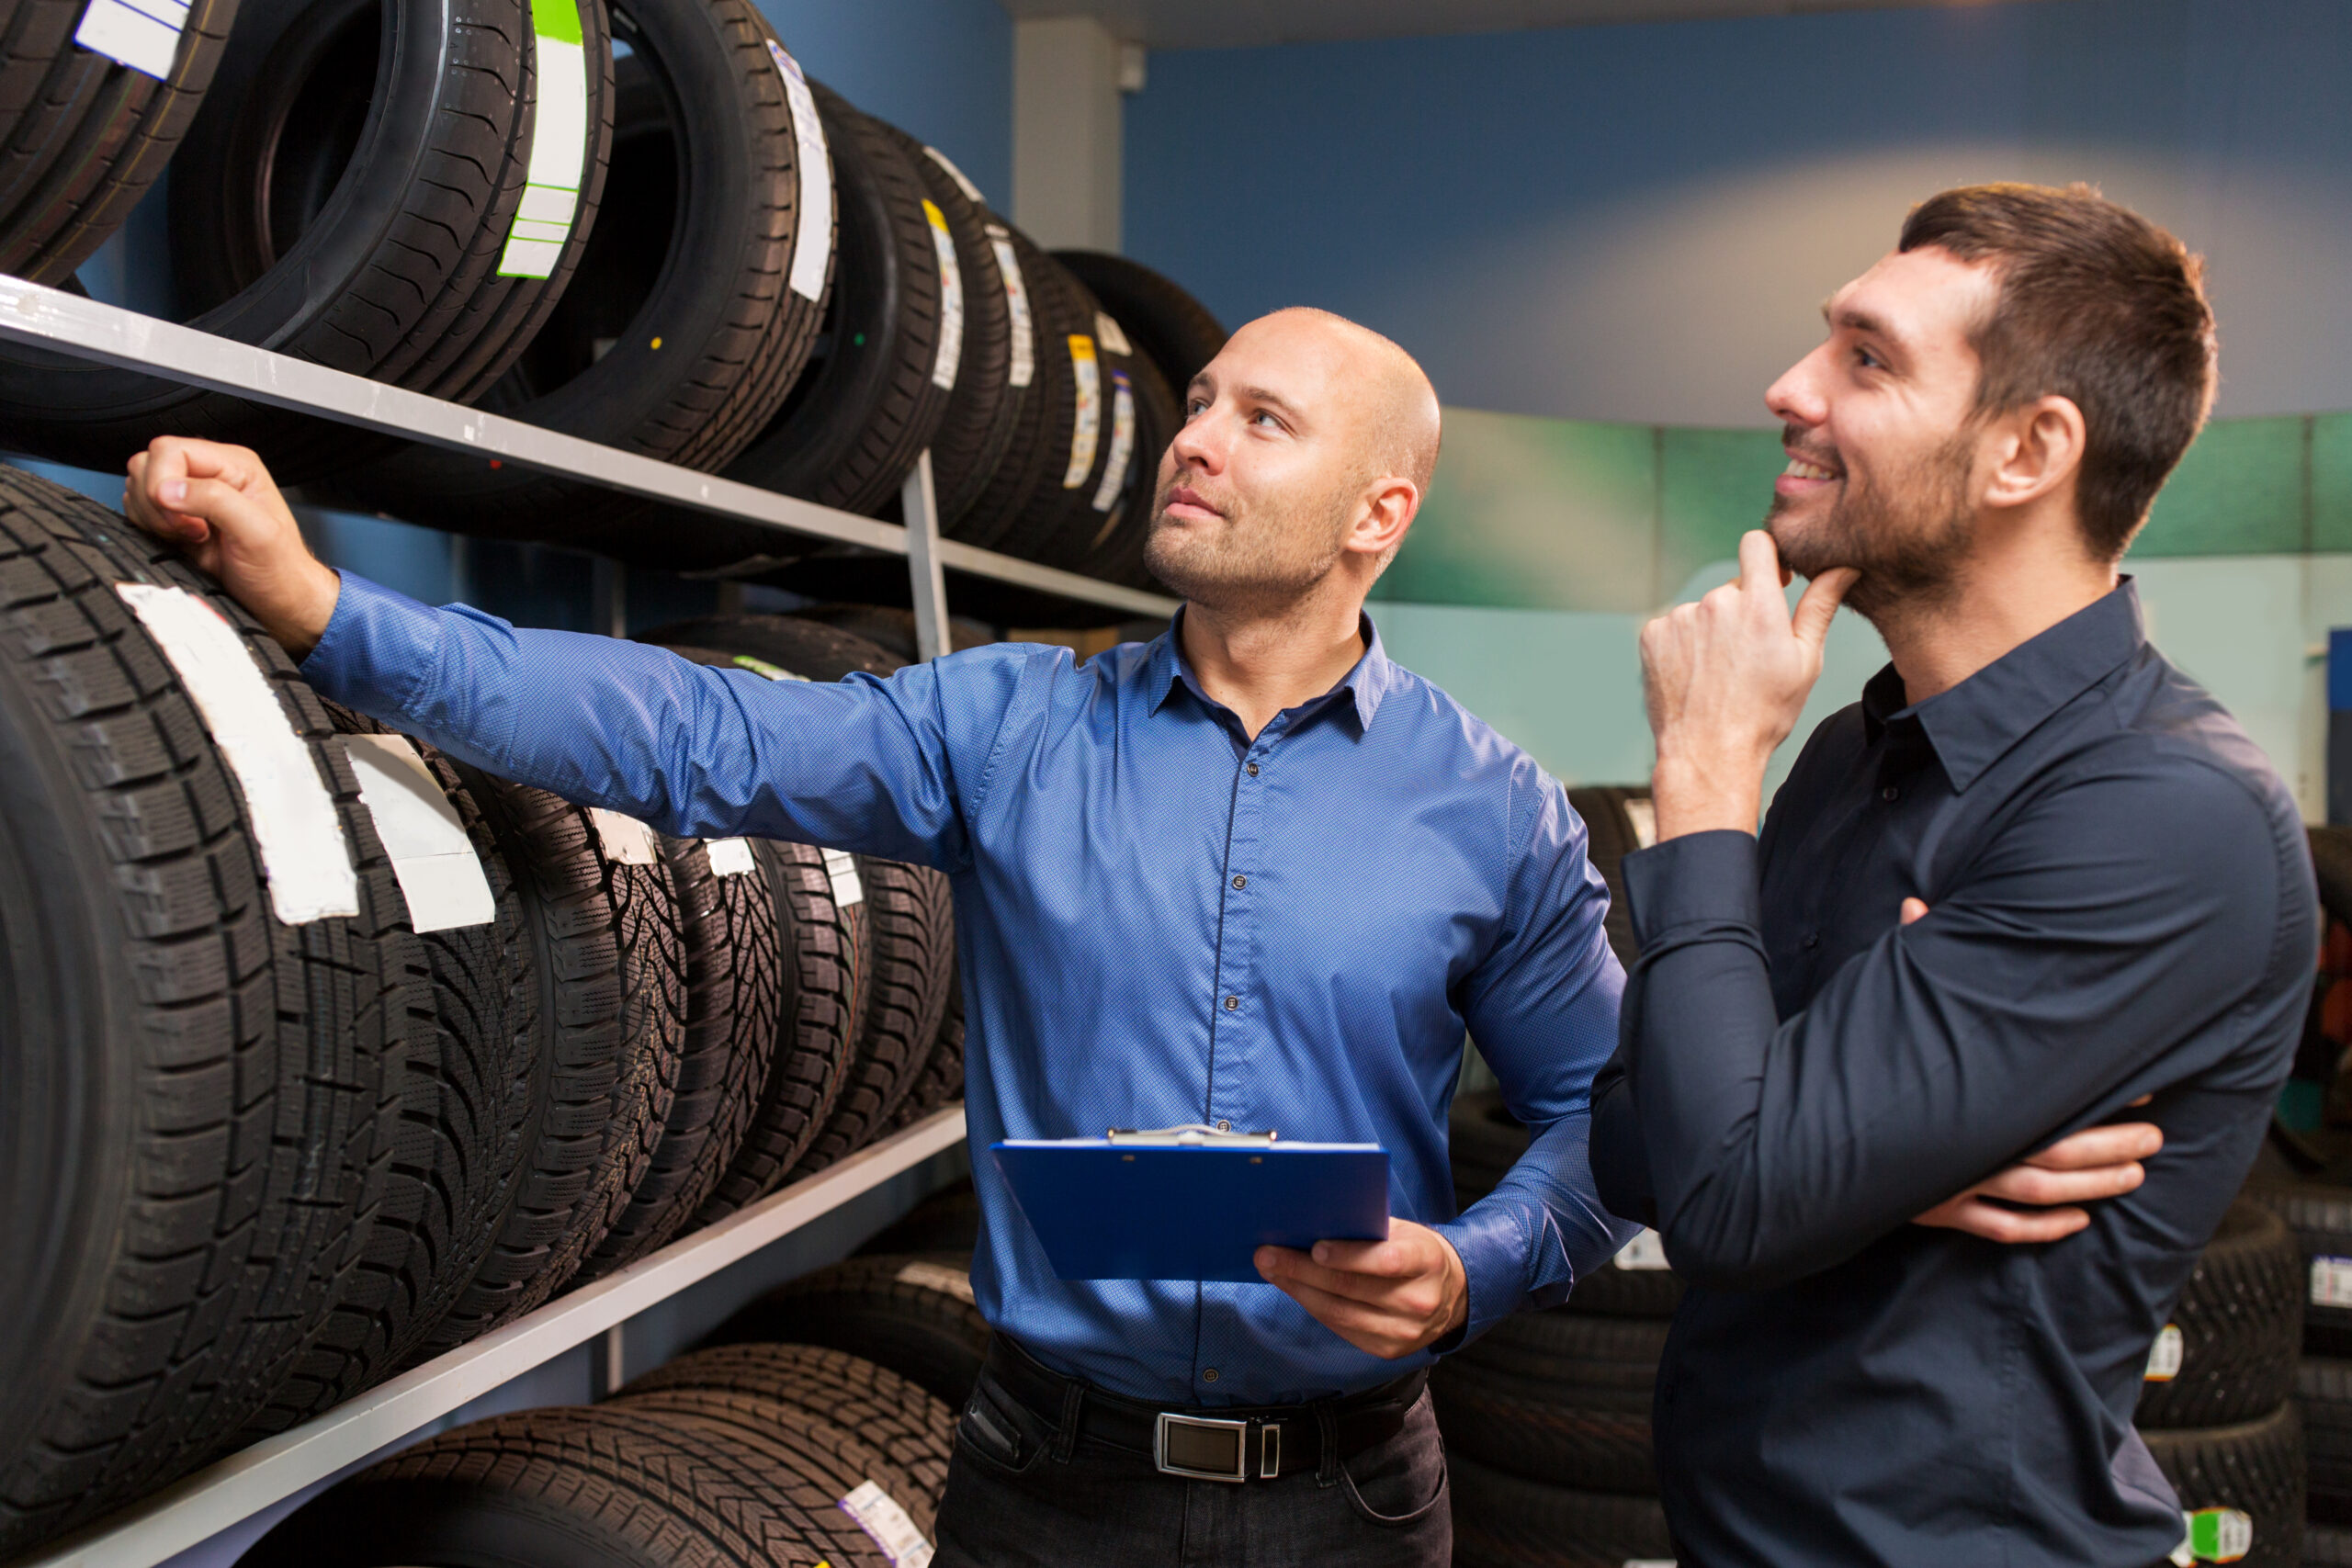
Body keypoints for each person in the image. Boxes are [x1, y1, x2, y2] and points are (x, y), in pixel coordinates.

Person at [122, 303, 2143, 1567]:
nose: (1192, 436)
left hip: (1350, 1494)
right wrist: (330, 607)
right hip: (1037, 1479)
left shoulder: (1488, 805)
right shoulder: (1004, 725)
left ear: (1377, 512)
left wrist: (1466, 1268)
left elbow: (1613, 1126)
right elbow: (695, 733)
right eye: (1196, 401)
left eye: (1260, 420)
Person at [1591, 182, 2319, 1567]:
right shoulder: (1849, 762)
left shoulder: (2165, 812)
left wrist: (1697, 767)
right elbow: (1640, 1140)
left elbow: (1730, 1195)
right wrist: (1859, 1151)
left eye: (1867, 358)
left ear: (2027, 452)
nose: (1786, 387)